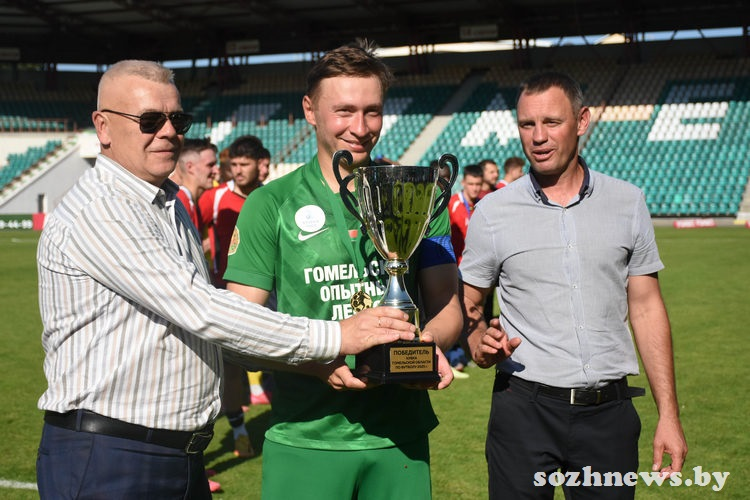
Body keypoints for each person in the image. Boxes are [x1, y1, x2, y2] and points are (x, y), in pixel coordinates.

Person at [35, 59, 417, 500]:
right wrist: (336, 337)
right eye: (149, 120)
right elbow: (202, 309)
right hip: (111, 454)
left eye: (177, 120)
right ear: (103, 127)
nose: (168, 132)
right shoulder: (101, 209)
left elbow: (209, 322)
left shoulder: (166, 203)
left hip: (172, 452)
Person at [224, 40, 462, 499]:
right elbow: (238, 328)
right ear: (310, 110)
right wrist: (318, 362)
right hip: (305, 435)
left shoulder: (418, 195)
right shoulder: (269, 204)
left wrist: (429, 347)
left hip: (400, 437)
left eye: (372, 111)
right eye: (345, 111)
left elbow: (446, 303)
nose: (361, 127)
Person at [460, 71, 687, 499]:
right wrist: (478, 345)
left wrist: (669, 415)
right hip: (522, 411)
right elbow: (469, 306)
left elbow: (646, 308)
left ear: (582, 121)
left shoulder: (628, 202)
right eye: (527, 124)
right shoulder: (492, 212)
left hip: (608, 417)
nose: (538, 137)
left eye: (552, 122)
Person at [199, 134, 268, 458]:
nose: (238, 170)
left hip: (269, 292)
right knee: (229, 369)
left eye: (245, 164)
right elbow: (191, 226)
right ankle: (239, 433)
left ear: (259, 165)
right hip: (224, 294)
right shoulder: (214, 198)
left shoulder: (270, 198)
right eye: (234, 164)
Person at [171, 138, 219, 230]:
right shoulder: (180, 202)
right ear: (190, 167)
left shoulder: (190, 203)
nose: (216, 171)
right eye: (210, 165)